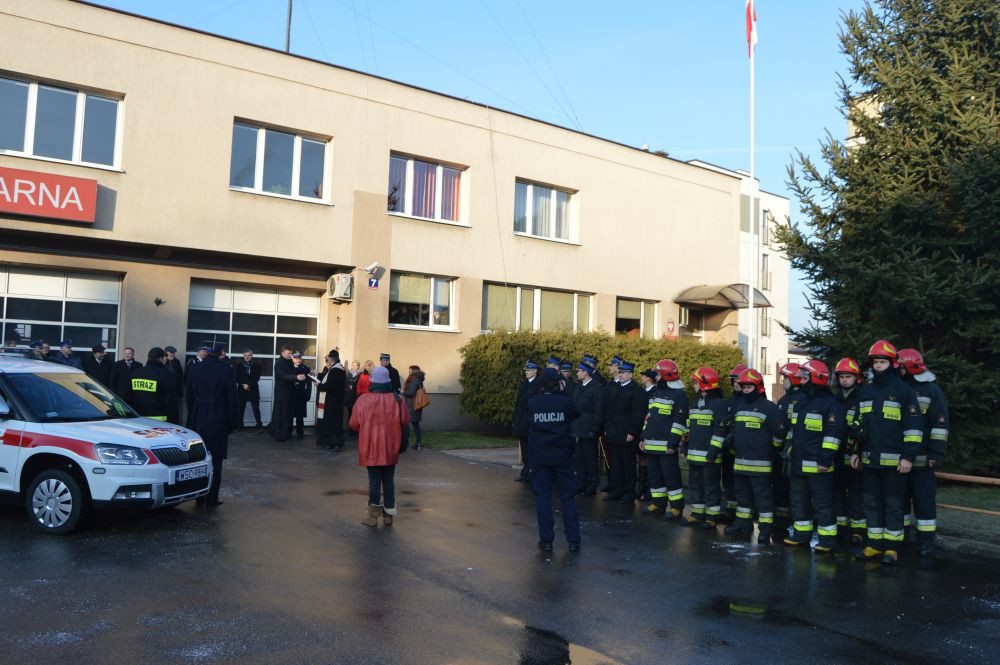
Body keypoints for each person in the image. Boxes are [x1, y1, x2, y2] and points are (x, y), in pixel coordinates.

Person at [852, 339, 924, 564]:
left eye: (883, 361)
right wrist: (854, 451)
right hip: (869, 460)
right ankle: (874, 544)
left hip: (895, 463)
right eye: (875, 362)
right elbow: (857, 425)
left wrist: (908, 457)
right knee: (871, 502)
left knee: (893, 504)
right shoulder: (866, 392)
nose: (879, 365)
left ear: (892, 364)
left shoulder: (904, 391)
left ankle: (892, 548)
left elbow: (913, 428)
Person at [782, 360, 845, 553]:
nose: (800, 380)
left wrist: (825, 461)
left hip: (819, 466)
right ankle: (801, 535)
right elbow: (793, 432)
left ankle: (827, 540)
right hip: (798, 463)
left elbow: (833, 435)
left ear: (817, 378)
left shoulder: (831, 404)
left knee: (823, 503)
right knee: (798, 500)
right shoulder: (800, 401)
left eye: (804, 376)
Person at [721, 368, 785, 544]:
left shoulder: (769, 408)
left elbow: (779, 434)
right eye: (744, 387)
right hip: (740, 463)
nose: (746, 390)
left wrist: (771, 450)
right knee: (742, 498)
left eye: (749, 387)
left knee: (763, 500)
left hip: (760, 465)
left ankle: (765, 530)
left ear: (758, 388)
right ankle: (743, 524)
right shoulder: (740, 406)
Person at [897, 348, 949, 558]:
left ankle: (925, 543)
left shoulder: (931, 391)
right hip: (898, 459)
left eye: (899, 366)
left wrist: (935, 454)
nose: (896, 370)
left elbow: (939, 425)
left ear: (908, 367)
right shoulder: (896, 388)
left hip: (923, 460)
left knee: (924, 503)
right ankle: (900, 539)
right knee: (899, 503)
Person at [526, 367, 581, 552]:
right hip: (562, 455)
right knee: (567, 497)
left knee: (543, 497)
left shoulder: (533, 403)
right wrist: (563, 391)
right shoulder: (565, 402)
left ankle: (546, 540)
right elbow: (576, 413)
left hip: (539, 456)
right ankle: (573, 540)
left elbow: (529, 420)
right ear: (559, 383)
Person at [350, 366, 410, 527]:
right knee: (389, 481)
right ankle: (389, 515)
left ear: (372, 381)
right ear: (388, 381)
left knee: (374, 482)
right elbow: (405, 421)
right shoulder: (398, 399)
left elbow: (354, 424)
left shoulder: (363, 400)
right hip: (391, 446)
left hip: (370, 447)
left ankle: (372, 516)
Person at [186, 343, 239, 507]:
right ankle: (212, 497)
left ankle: (198, 496)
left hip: (198, 417)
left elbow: (189, 395)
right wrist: (233, 422)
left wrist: (193, 414)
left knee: (198, 459)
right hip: (218, 418)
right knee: (215, 460)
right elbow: (232, 398)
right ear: (221, 353)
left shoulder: (195, 369)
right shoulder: (227, 370)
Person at [640, 359, 689, 519]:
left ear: (667, 376)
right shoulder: (656, 392)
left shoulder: (679, 395)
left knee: (671, 477)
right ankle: (658, 504)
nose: (656, 377)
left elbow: (679, 422)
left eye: (659, 374)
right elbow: (649, 418)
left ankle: (676, 507)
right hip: (652, 443)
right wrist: (643, 438)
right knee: (654, 476)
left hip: (666, 445)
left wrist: (673, 443)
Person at [681, 367, 728, 528]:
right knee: (695, 485)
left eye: (695, 382)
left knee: (710, 487)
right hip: (694, 455)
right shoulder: (696, 403)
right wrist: (685, 446)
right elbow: (689, 426)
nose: (693, 385)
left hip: (710, 457)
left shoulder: (719, 404)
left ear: (704, 384)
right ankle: (697, 513)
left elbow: (720, 430)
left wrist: (713, 452)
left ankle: (712, 516)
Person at [602, 361, 647, 504]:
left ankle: (628, 492)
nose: (620, 375)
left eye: (623, 373)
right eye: (619, 372)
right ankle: (616, 490)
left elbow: (638, 414)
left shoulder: (637, 391)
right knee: (615, 465)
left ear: (630, 374)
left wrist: (632, 432)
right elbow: (608, 410)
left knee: (628, 465)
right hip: (613, 432)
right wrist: (607, 427)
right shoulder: (614, 388)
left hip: (627, 434)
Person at [833, 357, 866, 547]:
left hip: (855, 456)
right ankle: (840, 528)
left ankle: (858, 532)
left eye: (848, 376)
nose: (845, 380)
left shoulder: (863, 398)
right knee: (837, 493)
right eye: (842, 376)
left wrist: (859, 452)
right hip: (837, 455)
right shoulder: (834, 399)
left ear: (856, 378)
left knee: (856, 495)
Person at [774, 363, 807, 541]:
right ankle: (781, 522)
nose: (782, 380)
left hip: (795, 453)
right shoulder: (783, 400)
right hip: (782, 454)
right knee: (781, 488)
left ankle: (797, 524)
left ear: (794, 378)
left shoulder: (803, 399)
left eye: (785, 377)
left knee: (795, 490)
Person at [572, 360, 605, 496]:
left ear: (586, 373)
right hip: (578, 428)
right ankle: (581, 483)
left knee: (590, 459)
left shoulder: (596, 387)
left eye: (579, 371)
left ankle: (592, 484)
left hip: (589, 429)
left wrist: (594, 429)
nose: (577, 373)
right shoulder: (578, 386)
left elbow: (599, 411)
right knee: (579, 458)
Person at [720, 364, 748, 521]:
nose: (736, 383)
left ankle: (742, 518)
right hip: (728, 451)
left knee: (741, 485)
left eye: (739, 380)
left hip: (743, 452)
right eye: (734, 380)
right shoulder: (729, 401)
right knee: (728, 482)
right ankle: (731, 514)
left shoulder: (752, 400)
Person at [127, 347, 180, 424]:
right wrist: (174, 423)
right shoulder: (165, 375)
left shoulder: (136, 372)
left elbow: (128, 396)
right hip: (159, 422)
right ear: (160, 359)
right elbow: (171, 402)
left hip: (138, 419)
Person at [513, 360, 543, 482]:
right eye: (526, 370)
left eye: (529, 370)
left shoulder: (538, 384)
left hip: (530, 423)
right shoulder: (524, 383)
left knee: (532, 450)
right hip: (522, 422)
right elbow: (519, 403)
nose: (527, 372)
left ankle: (531, 473)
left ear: (535, 370)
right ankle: (526, 472)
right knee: (525, 450)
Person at [270, 346, 303, 442]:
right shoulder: (279, 363)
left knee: (289, 416)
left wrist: (297, 375)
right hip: (282, 395)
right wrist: (296, 377)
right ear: (283, 353)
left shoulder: (290, 362)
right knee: (282, 416)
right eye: (288, 353)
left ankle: (287, 435)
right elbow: (283, 376)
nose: (290, 355)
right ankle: (281, 436)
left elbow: (293, 373)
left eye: (291, 353)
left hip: (290, 394)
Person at [316, 350, 347, 451]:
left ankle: (335, 444)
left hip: (332, 401)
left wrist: (319, 385)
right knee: (331, 423)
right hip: (335, 401)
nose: (327, 360)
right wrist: (318, 376)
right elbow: (328, 379)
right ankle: (330, 443)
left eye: (328, 358)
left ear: (332, 359)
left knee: (332, 424)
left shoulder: (336, 370)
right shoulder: (337, 369)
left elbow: (329, 385)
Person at [235, 349, 263, 429]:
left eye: (249, 355)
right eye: (245, 355)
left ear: (252, 356)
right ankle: (239, 426)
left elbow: (257, 377)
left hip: (253, 389)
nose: (247, 357)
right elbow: (237, 377)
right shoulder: (239, 365)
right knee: (240, 409)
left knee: (256, 409)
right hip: (242, 389)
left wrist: (249, 384)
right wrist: (243, 384)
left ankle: (259, 425)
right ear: (243, 356)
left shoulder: (257, 364)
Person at [402, 365, 426, 450]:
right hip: (417, 405)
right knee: (416, 425)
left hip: (411, 406)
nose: (409, 372)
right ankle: (418, 443)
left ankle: (406, 443)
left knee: (406, 424)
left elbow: (411, 393)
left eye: (410, 370)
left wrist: (403, 392)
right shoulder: (419, 380)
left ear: (414, 371)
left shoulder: (414, 380)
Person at [291, 353, 312, 439]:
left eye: (299, 359)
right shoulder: (289, 368)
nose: (298, 360)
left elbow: (309, 384)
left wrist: (308, 396)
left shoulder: (306, 369)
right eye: (296, 359)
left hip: (301, 395)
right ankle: (289, 432)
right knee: (290, 415)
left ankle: (300, 433)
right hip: (291, 395)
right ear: (292, 359)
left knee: (300, 416)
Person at [345, 360, 362, 434]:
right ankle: (350, 430)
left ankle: (356, 430)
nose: (354, 367)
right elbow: (345, 384)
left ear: (358, 366)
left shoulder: (360, 375)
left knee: (357, 414)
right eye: (353, 365)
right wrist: (348, 387)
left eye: (355, 365)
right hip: (350, 397)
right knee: (350, 413)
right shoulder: (348, 374)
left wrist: (354, 386)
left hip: (356, 397)